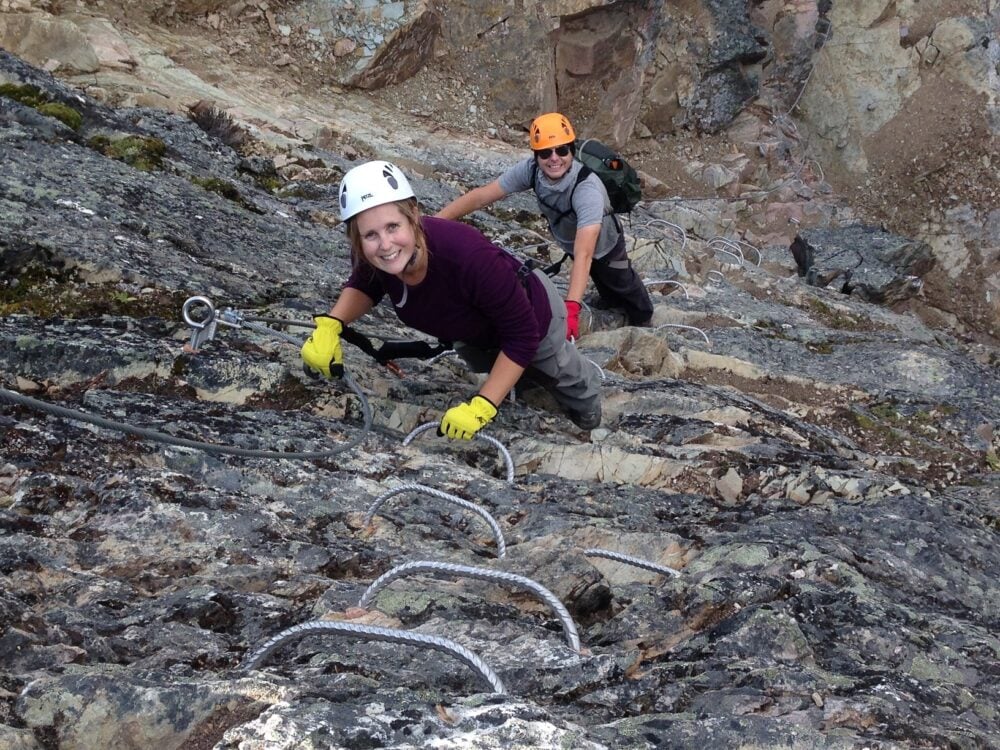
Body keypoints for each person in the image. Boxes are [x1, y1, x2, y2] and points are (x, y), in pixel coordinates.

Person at [301, 160, 602, 436]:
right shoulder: (374, 255)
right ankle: (530, 393)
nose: (385, 244)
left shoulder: (466, 255)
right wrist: (331, 325)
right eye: (370, 235)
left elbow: (522, 335)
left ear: (413, 217)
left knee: (560, 369)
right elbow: (365, 284)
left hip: (534, 314)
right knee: (518, 378)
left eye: (393, 227)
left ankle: (589, 409)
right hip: (474, 330)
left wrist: (483, 405)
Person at [435, 112, 654, 339]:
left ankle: (644, 320)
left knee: (621, 280)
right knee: (602, 281)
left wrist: (571, 310)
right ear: (536, 155)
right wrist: (436, 222)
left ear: (571, 150)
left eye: (561, 150)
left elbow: (585, 254)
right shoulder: (530, 170)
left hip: (604, 242)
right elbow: (482, 196)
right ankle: (611, 305)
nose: (554, 158)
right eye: (545, 152)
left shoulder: (586, 189)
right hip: (570, 238)